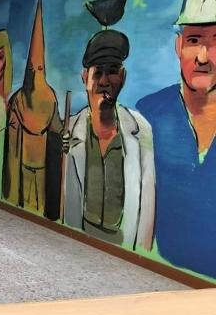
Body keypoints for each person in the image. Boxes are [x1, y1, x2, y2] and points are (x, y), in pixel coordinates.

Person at [137, 0, 216, 276]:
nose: (203, 56)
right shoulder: (149, 113)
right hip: (155, 269)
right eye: (194, 40)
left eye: (215, 41)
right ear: (178, 45)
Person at [64, 30, 155, 250]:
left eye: (112, 71)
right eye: (98, 73)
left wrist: (140, 252)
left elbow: (148, 201)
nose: (104, 81)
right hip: (75, 241)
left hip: (124, 245)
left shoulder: (141, 130)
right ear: (85, 78)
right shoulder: (67, 130)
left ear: (122, 77)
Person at [3, 0, 63, 220]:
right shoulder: (17, 100)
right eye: (31, 70)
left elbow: (57, 129)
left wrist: (63, 138)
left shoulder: (50, 98)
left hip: (43, 169)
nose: (35, 74)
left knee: (40, 203)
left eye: (38, 69)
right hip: (21, 166)